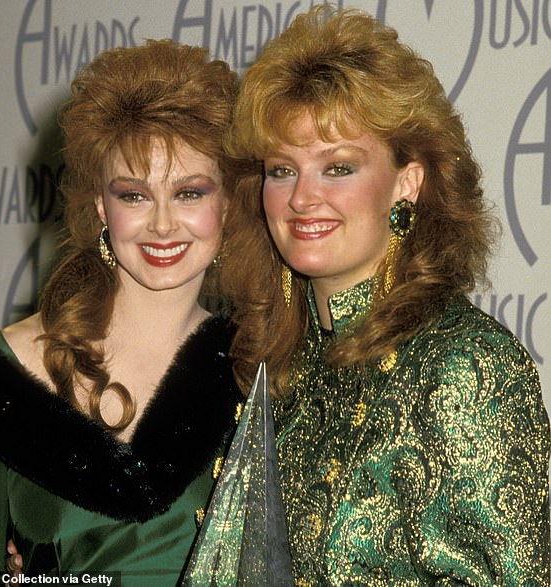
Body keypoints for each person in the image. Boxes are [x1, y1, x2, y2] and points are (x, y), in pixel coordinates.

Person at [220, 6, 551, 585]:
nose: (302, 198)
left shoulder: (466, 368)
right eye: (281, 170)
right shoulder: (280, 370)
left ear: (408, 182)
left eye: (338, 167)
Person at [0, 40, 242, 585]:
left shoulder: (261, 369)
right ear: (100, 208)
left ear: (227, 205)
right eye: (134, 195)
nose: (162, 225)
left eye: (189, 193)